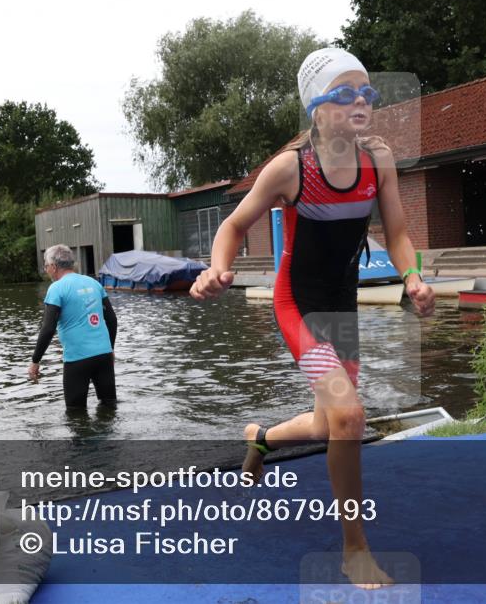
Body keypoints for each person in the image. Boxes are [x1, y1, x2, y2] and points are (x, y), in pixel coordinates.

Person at [191, 47, 435, 589]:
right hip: (297, 303)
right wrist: (218, 269)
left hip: (340, 306)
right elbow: (232, 226)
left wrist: (412, 276)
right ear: (315, 110)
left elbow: (396, 232)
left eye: (365, 93)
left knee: (330, 424)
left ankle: (260, 438)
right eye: (342, 93)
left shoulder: (379, 161)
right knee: (350, 419)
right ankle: (355, 549)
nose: (359, 103)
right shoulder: (290, 168)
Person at [28, 244, 118, 410]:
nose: (46, 270)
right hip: (104, 356)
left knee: (75, 414)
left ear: (54, 267)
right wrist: (110, 348)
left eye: (46, 266)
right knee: (109, 407)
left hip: (78, 359)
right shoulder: (93, 283)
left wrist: (35, 361)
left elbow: (48, 328)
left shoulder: (56, 288)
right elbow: (111, 319)